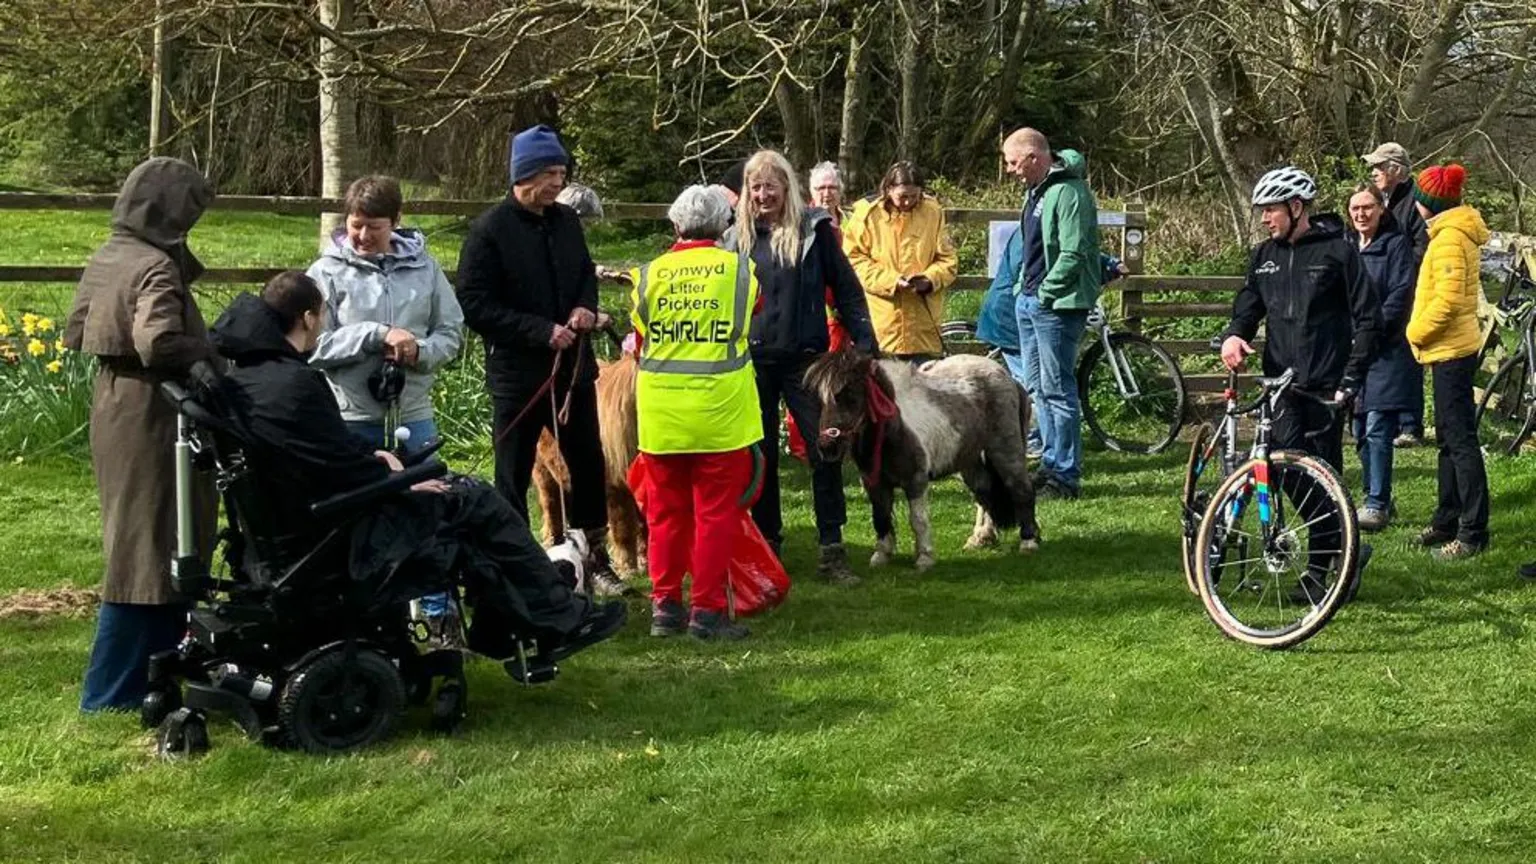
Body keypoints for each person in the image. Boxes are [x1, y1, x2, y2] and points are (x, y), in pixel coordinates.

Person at [209, 272, 627, 661]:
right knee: (474, 500)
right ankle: (559, 615)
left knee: (466, 518)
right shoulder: (293, 384)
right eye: (322, 317)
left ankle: (511, 622)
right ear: (307, 317)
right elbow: (332, 468)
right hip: (339, 538)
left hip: (294, 527)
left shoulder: (244, 378)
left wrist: (376, 460)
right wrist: (400, 484)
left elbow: (320, 455)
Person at [64, 157, 220, 712]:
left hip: (114, 404)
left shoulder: (110, 254)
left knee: (148, 540)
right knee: (152, 546)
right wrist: (214, 353)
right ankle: (111, 692)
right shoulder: (153, 266)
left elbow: (78, 330)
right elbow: (158, 343)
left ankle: (160, 673)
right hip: (154, 413)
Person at [456, 124, 630, 597]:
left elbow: (584, 277)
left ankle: (593, 556)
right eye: (550, 172)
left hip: (572, 370)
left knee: (588, 460)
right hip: (519, 373)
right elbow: (474, 303)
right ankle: (511, 563)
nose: (558, 181)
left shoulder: (566, 221)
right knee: (512, 469)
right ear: (524, 174)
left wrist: (583, 308)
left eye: (561, 171)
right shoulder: (489, 232)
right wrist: (539, 331)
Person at [305, 173, 466, 643]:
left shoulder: (426, 270)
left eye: (373, 226)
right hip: (350, 418)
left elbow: (451, 335)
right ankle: (353, 623)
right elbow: (311, 346)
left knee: (427, 513)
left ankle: (437, 621)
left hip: (412, 414)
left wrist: (419, 350)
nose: (362, 236)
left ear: (396, 222)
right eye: (355, 225)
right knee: (350, 523)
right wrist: (375, 335)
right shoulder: (327, 272)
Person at [1220, 166, 1382, 600]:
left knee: (1324, 477)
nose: (1264, 218)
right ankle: (1345, 550)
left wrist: (1351, 379)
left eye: (1271, 209)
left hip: (1327, 386)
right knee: (1282, 473)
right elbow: (1248, 305)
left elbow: (1370, 319)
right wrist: (1234, 334)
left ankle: (1322, 570)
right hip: (1281, 384)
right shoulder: (1263, 255)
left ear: (1296, 208)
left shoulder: (1337, 252)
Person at [723, 149, 877, 583]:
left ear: (787, 188)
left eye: (771, 186)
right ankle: (768, 543)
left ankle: (832, 547)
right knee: (762, 455)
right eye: (755, 187)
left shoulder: (815, 231)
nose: (763, 194)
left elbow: (846, 287)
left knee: (824, 448)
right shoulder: (732, 237)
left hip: (806, 361)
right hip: (751, 361)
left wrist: (864, 341)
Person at [628, 186, 762, 639]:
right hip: (721, 414)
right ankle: (706, 612)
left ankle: (664, 608)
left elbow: (641, 337)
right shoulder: (741, 271)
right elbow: (752, 315)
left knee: (663, 514)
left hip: (661, 415)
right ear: (725, 226)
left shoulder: (648, 275)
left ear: (675, 226)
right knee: (715, 514)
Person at [1002, 128, 1102, 499]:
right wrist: (1022, 291)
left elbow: (1074, 253)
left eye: (1013, 162)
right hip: (1030, 301)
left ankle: (1065, 476)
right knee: (1037, 390)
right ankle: (1048, 464)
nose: (1010, 169)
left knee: (1058, 391)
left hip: (1057, 306)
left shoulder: (1069, 192)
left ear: (1033, 157)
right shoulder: (1036, 191)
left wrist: (1044, 293)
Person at [976, 224, 1125, 457]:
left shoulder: (1048, 224)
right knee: (1033, 386)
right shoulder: (1031, 231)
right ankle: (1020, 442)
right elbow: (1047, 263)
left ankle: (1037, 443)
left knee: (1042, 384)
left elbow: (1071, 249)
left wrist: (1108, 263)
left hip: (1026, 312)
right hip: (1010, 316)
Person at [1404, 164, 1490, 561]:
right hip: (1448, 350)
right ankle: (1447, 518)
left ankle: (1472, 533)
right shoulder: (1446, 233)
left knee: (1460, 441)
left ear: (1429, 203)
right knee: (1446, 438)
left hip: (1452, 350)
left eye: (1420, 197)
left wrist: (1415, 332)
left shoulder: (1451, 238)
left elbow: (1449, 300)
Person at [1345, 184, 1417, 533]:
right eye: (1355, 208)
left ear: (1382, 209)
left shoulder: (1396, 245)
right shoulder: (1346, 249)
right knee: (1358, 427)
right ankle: (1377, 496)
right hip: (1353, 350)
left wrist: (1373, 330)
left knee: (1377, 426)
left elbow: (1401, 292)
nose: (1361, 214)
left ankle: (1376, 503)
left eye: (1367, 207)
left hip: (1387, 348)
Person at [843, 161, 958, 362]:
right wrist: (891, 281)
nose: (908, 202)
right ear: (888, 190)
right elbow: (853, 260)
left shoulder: (932, 211)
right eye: (902, 197)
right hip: (883, 323)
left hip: (923, 322)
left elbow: (948, 259)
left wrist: (930, 279)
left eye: (914, 196)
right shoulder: (867, 214)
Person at [1364, 142, 1430, 447]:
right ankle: (1384, 418)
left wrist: (1398, 268)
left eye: (1380, 166)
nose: (1374, 172)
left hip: (1410, 290)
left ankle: (1410, 424)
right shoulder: (1384, 201)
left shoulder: (1414, 202)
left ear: (1396, 170)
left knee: (1406, 356)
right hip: (1382, 288)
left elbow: (1422, 247)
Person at [808, 161, 849, 232]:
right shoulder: (805, 222)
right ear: (812, 191)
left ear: (840, 190)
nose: (826, 194)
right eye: (821, 188)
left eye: (832, 187)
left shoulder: (850, 219)